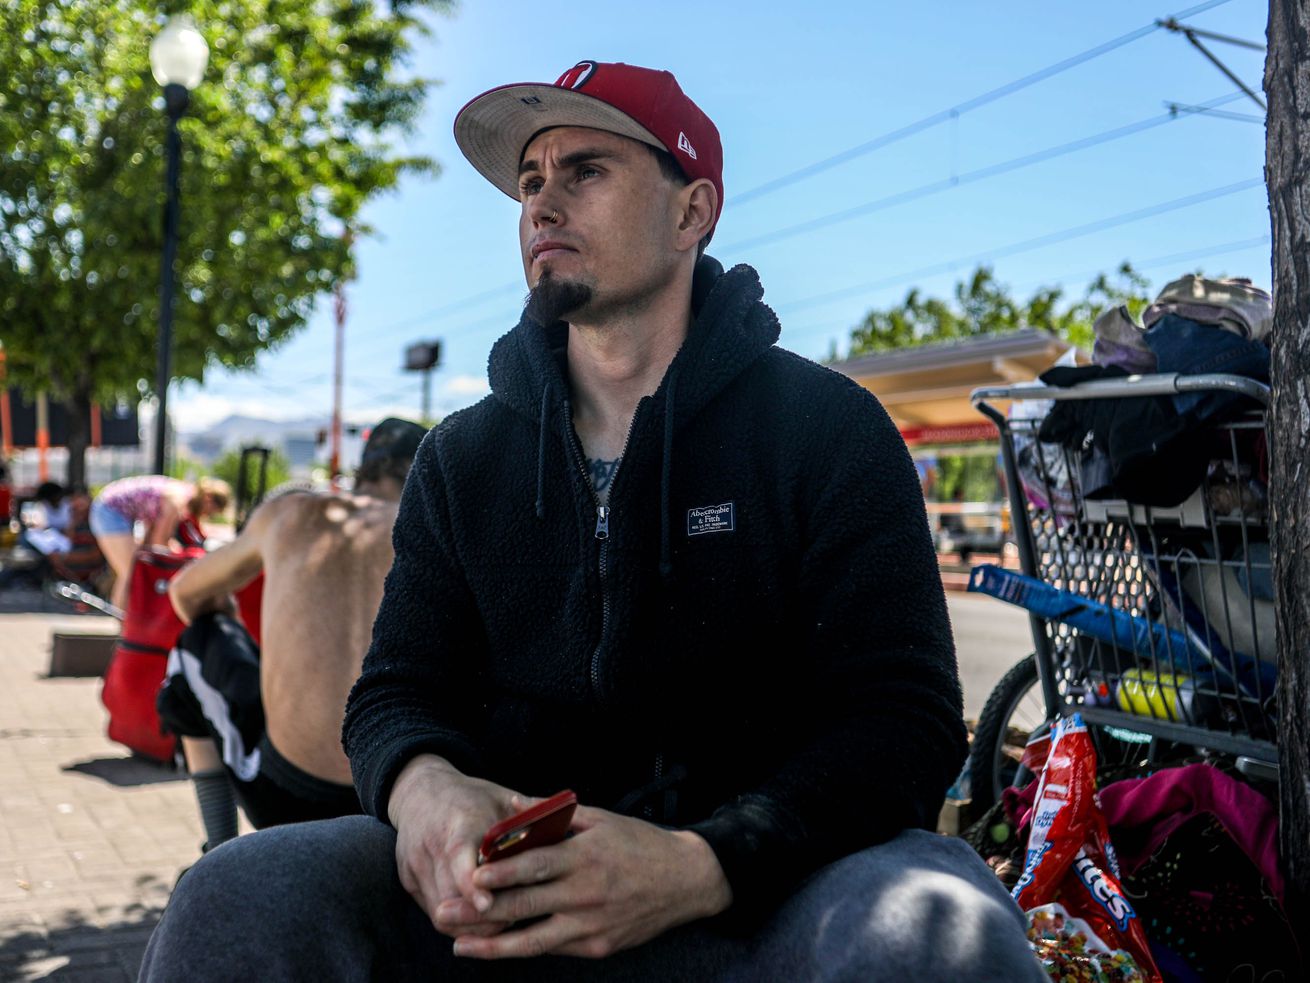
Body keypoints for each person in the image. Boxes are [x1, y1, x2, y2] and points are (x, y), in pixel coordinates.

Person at [141, 62, 1044, 981]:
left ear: (692, 213)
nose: (542, 203)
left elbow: (906, 716)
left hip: (771, 894)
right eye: (531, 181)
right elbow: (396, 692)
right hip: (506, 901)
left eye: (587, 171)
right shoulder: (460, 459)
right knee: (234, 892)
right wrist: (424, 789)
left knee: (940, 935)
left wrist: (705, 860)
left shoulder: (827, 428)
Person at [156, 419, 427, 850]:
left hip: (285, 798)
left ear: (362, 469)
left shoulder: (291, 512)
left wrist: (237, 625)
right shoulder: (434, 528)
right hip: (404, 799)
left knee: (196, 641)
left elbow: (185, 594)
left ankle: (219, 852)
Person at [89, 475, 230, 611]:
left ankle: (127, 617)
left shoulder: (180, 491)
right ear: (208, 499)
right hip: (110, 510)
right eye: (210, 512)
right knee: (132, 571)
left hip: (111, 508)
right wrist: (181, 556)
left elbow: (152, 539)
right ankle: (123, 619)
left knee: (134, 569)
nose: (206, 515)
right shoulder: (177, 500)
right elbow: (159, 542)